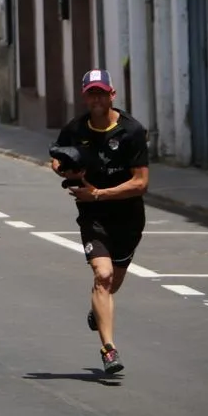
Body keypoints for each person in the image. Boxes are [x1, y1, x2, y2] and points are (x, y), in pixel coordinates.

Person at [51, 69, 149, 375]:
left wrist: (98, 194)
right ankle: (109, 349)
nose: (97, 99)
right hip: (93, 216)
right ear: (85, 97)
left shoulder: (132, 131)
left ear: (112, 95)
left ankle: (98, 309)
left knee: (113, 282)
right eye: (91, 93)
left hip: (129, 218)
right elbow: (57, 158)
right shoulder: (75, 129)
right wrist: (65, 170)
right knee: (102, 276)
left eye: (101, 93)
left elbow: (140, 183)